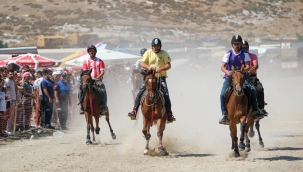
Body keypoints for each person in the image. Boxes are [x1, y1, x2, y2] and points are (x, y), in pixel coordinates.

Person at [219, 35, 265, 125]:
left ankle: (255, 111)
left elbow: (248, 66)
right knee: (221, 95)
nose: (237, 45)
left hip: (242, 77)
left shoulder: (245, 53)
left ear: (240, 44)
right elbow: (222, 67)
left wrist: (244, 70)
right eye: (235, 44)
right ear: (232, 45)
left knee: (253, 90)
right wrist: (227, 71)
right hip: (230, 78)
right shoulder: (228, 53)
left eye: (238, 44)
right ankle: (224, 114)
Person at [128, 38, 176, 123]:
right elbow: (142, 63)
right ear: (151, 46)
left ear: (160, 46)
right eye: (154, 46)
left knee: (166, 94)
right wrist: (149, 67)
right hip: (149, 77)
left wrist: (161, 69)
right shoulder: (148, 52)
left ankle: (169, 114)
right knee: (139, 92)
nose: (156, 48)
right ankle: (134, 111)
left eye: (157, 46)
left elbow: (168, 65)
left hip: (160, 77)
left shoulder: (164, 53)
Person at [78, 45, 108, 117]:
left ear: (95, 51)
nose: (92, 52)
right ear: (88, 52)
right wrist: (88, 78)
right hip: (88, 80)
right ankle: (82, 107)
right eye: (90, 51)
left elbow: (102, 72)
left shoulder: (100, 61)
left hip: (97, 80)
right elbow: (85, 72)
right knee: (80, 91)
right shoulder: (85, 62)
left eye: (93, 50)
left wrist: (97, 78)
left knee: (103, 90)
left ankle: (103, 107)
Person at [242, 40, 268, 116]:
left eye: (245, 48)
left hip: (252, 77)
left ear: (248, 48)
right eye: (242, 48)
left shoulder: (253, 56)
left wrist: (250, 71)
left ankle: (261, 108)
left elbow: (256, 65)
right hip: (241, 77)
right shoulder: (238, 57)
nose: (244, 49)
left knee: (260, 88)